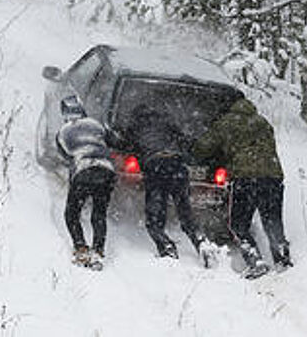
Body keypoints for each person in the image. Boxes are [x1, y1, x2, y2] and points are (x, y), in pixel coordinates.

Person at [192, 98, 292, 279]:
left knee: (238, 224)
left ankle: (256, 262)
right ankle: (283, 261)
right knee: (272, 222)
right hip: (273, 177)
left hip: (245, 179)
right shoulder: (262, 122)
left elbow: (204, 147)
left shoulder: (227, 122)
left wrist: (196, 153)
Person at [125, 103, 216, 267]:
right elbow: (185, 141)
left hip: (155, 168)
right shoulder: (167, 123)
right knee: (184, 210)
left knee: (155, 217)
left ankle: (167, 247)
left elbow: (126, 147)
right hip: (177, 167)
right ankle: (201, 242)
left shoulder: (135, 126)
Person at [56, 96, 116, 271]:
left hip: (83, 170)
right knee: (99, 213)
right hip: (106, 170)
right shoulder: (96, 125)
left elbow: (66, 156)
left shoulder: (63, 132)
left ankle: (81, 248)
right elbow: (112, 142)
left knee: (72, 213)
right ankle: (98, 251)